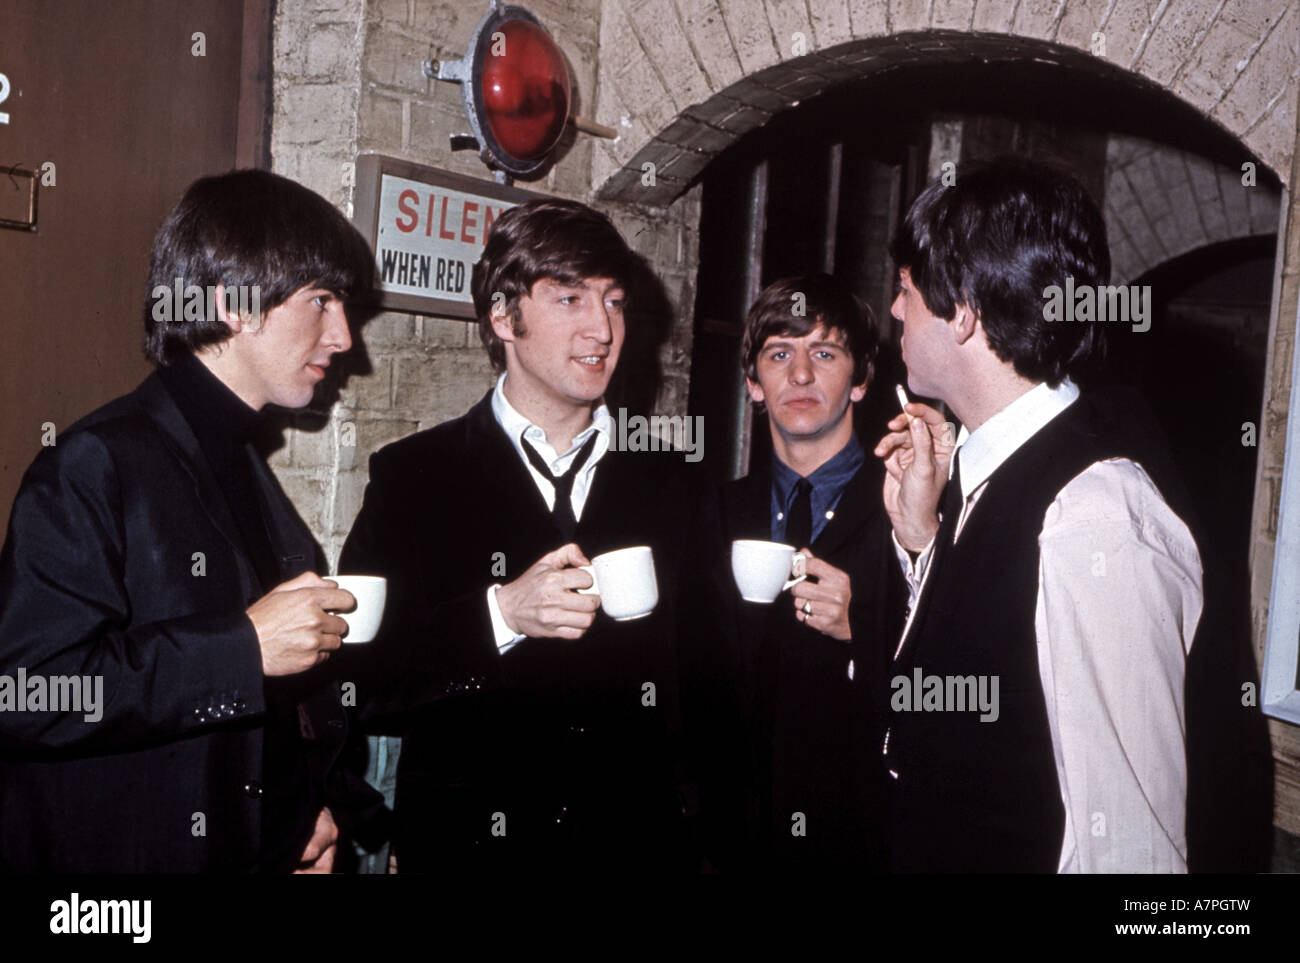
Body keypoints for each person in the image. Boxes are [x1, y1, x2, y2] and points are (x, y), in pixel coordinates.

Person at [0, 169, 385, 873]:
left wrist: (299, 821)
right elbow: (26, 692)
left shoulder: (236, 455)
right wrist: (240, 646)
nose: (343, 338)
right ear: (234, 303)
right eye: (323, 300)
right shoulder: (97, 459)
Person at [338, 197, 696, 873]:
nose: (603, 328)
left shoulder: (677, 482)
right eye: (569, 299)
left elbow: (715, 684)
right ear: (503, 316)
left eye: (613, 301)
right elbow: (360, 677)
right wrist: (498, 615)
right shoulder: (414, 477)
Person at [875, 158, 1203, 872]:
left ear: (962, 309)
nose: (896, 310)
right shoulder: (988, 469)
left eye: (905, 289)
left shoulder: (1095, 514)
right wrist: (922, 539)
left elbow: (1131, 849)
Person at [678, 274, 906, 872]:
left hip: (868, 846)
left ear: (860, 380)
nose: (800, 376)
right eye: (780, 354)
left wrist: (866, 631)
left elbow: (966, 688)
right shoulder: (714, 514)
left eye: (824, 353)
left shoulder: (910, 511)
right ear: (754, 383)